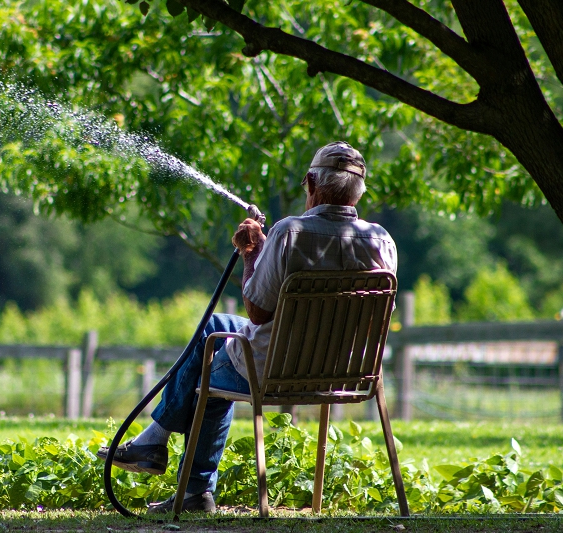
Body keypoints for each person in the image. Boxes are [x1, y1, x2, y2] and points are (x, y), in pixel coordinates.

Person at [96, 141, 397, 514]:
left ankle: (179, 471)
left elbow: (256, 312)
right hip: (348, 372)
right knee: (217, 325)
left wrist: (253, 254)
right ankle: (156, 445)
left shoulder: (289, 233)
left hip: (275, 371)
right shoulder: (381, 239)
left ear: (310, 182)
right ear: (359, 190)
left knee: (209, 364)